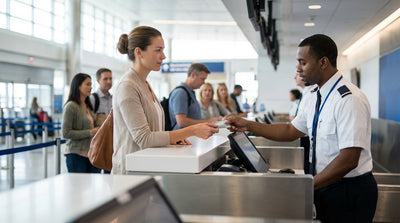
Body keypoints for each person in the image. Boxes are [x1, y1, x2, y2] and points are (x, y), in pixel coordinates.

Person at [226, 34, 377, 223]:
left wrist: (307, 185)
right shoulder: (313, 94)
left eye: (302, 62)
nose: (298, 69)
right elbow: (291, 131)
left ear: (323, 62)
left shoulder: (348, 99)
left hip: (348, 191)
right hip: (325, 184)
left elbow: (349, 159)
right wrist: (248, 125)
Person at [113, 26, 218, 174]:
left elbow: (153, 131)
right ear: (138, 52)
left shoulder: (144, 84)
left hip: (148, 167)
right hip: (130, 173)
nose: (163, 56)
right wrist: (191, 130)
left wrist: (173, 139)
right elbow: (144, 138)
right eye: (158, 50)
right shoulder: (128, 86)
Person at [62, 73, 100, 173]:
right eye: (87, 84)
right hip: (76, 155)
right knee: (78, 188)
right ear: (78, 86)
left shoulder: (88, 105)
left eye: (91, 84)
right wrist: (90, 132)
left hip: (91, 154)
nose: (90, 87)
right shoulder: (71, 106)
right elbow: (66, 133)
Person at [169, 63, 221, 130]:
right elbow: (182, 122)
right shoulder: (181, 93)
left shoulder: (190, 93)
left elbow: (194, 118)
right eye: (202, 79)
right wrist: (207, 121)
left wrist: (211, 120)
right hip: (182, 138)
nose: (203, 82)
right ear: (193, 75)